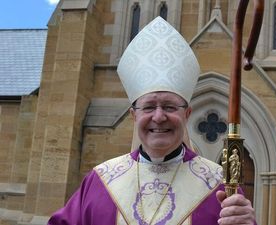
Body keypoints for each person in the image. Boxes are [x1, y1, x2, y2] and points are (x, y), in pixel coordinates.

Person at [48, 17, 255, 225]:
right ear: (133, 115)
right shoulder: (100, 181)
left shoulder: (220, 184)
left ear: (187, 114)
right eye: (148, 107)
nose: (158, 117)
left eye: (169, 106)